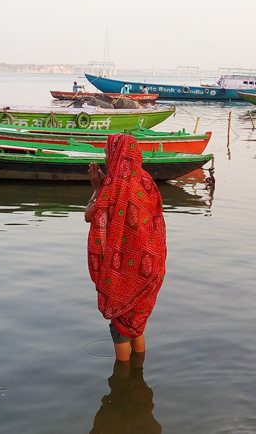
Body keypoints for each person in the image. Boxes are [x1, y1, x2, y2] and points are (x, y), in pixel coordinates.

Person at [85, 133, 167, 362]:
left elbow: (90, 215)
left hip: (125, 274)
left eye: (106, 154)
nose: (104, 159)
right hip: (150, 269)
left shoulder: (115, 188)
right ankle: (139, 375)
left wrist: (96, 189)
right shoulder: (146, 181)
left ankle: (123, 386)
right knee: (137, 327)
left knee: (121, 330)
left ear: (117, 156)